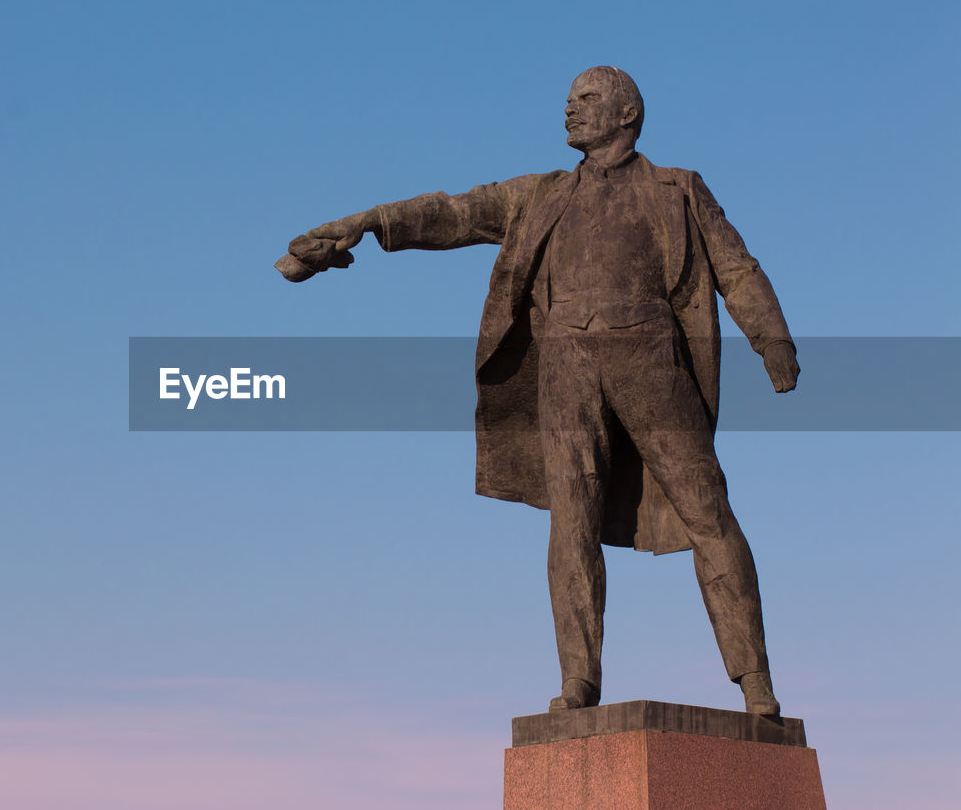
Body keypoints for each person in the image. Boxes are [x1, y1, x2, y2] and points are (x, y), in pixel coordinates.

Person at [275, 67, 800, 716]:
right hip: (567, 368)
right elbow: (454, 212)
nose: (568, 110)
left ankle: (756, 684)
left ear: (626, 113)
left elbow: (735, 266)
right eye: (570, 100)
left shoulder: (678, 190)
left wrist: (770, 336)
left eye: (585, 100)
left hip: (650, 359)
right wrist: (366, 221)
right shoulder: (540, 194)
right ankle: (578, 681)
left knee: (709, 512)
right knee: (570, 525)